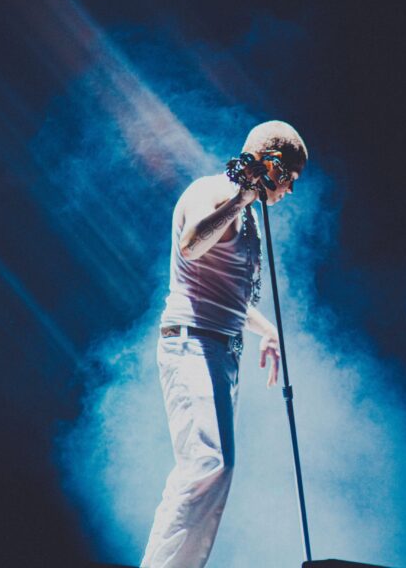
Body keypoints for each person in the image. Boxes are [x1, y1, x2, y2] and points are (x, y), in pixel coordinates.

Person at [140, 120, 308, 568]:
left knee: (212, 472)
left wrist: (266, 329)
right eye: (289, 178)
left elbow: (224, 293)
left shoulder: (247, 213)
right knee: (208, 466)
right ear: (272, 167)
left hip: (218, 350)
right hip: (192, 343)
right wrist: (239, 198)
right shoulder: (210, 192)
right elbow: (193, 244)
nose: (290, 191)